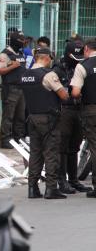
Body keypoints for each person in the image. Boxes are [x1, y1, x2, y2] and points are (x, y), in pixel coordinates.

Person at [21, 47, 69, 199]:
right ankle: (51, 188)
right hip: (48, 119)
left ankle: (32, 188)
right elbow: (64, 96)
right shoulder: (49, 75)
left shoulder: (25, 74)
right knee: (51, 153)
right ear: (47, 58)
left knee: (35, 153)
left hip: (32, 118)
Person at [53, 38, 92, 194]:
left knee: (74, 147)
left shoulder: (81, 67)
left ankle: (73, 180)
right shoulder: (57, 69)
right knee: (62, 146)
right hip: (64, 111)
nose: (78, 62)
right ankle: (61, 181)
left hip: (79, 110)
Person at [70, 38, 96, 198]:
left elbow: (75, 92)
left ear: (86, 49)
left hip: (91, 110)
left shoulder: (82, 66)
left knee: (94, 147)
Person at [0, 31, 27, 149]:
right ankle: (5, 140)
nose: (23, 44)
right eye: (21, 41)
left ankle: (18, 139)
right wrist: (13, 66)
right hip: (10, 89)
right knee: (9, 115)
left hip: (22, 88)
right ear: (15, 41)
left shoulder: (20, 53)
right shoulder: (5, 55)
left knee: (20, 116)